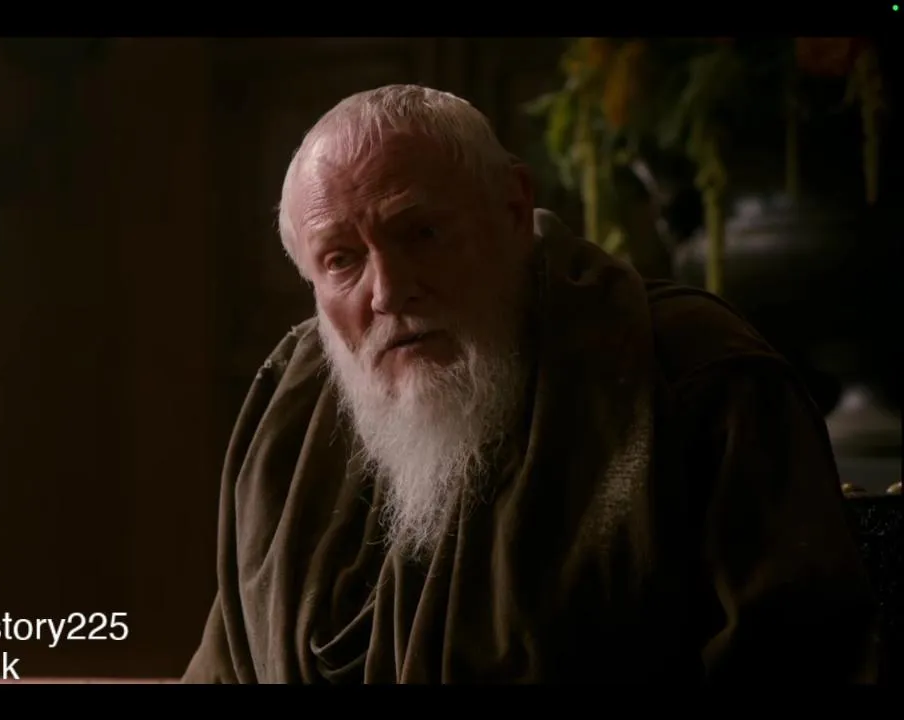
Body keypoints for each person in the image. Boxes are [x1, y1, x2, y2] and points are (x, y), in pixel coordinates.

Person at [182, 85, 879, 683]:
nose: (388, 292)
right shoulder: (292, 411)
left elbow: (795, 658)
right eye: (341, 260)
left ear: (514, 210)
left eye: (421, 233)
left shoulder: (694, 376)